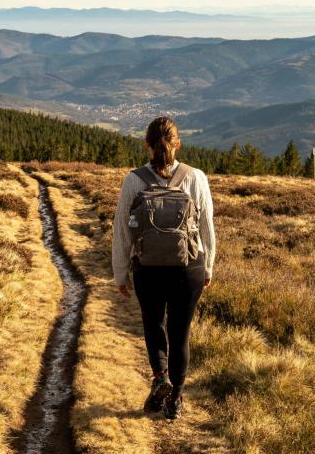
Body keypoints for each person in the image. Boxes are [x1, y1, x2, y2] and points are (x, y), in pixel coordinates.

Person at [111, 116, 216, 420]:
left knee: (154, 324)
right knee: (180, 332)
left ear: (147, 144)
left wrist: (120, 273)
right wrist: (207, 266)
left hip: (148, 267)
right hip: (189, 267)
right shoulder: (195, 177)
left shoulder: (134, 180)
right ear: (177, 143)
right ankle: (176, 401)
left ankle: (161, 378)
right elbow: (207, 228)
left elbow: (122, 231)